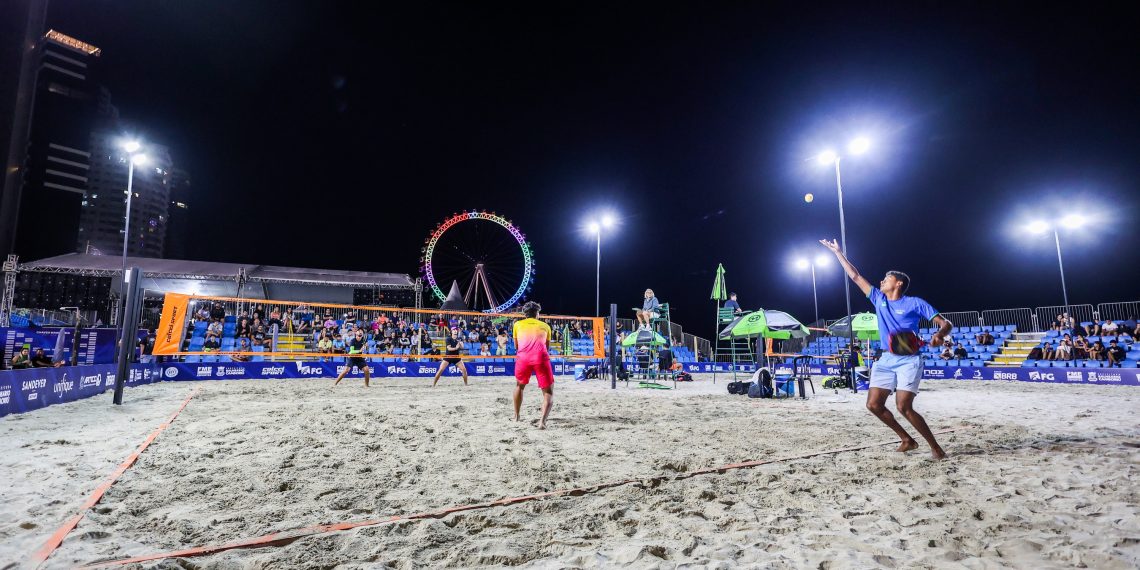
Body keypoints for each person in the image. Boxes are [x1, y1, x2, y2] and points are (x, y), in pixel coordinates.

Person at [820, 238, 950, 460]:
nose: (881, 280)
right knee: (873, 404)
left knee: (903, 407)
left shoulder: (915, 303)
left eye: (887, 278)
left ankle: (936, 448)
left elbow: (945, 323)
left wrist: (939, 335)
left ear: (898, 283)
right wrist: (837, 253)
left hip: (909, 360)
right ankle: (907, 440)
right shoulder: (878, 299)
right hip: (886, 359)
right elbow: (855, 276)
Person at [511, 301, 555, 429]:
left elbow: (516, 346)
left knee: (519, 386)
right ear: (537, 313)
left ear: (524, 314)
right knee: (548, 391)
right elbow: (547, 347)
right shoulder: (545, 326)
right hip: (540, 357)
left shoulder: (517, 325)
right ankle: (542, 422)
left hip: (523, 357)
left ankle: (516, 416)